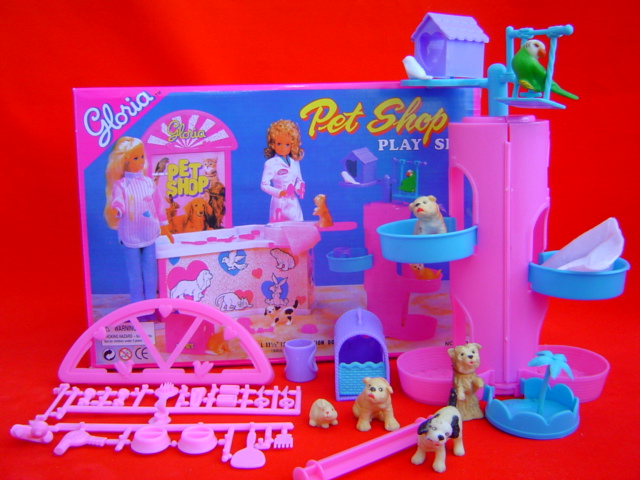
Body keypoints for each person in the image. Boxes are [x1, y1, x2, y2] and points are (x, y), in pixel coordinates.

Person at [104, 136, 167, 302]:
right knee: (135, 274)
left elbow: (158, 204)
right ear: (125, 161)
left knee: (150, 272)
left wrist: (165, 226)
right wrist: (117, 210)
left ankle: (151, 302)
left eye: (142, 157)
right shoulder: (121, 185)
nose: (140, 161)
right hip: (130, 234)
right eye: (135, 158)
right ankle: (137, 305)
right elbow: (118, 201)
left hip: (150, 232)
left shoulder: (148, 182)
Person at [260, 120, 305, 222]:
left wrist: (299, 188)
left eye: (287, 144)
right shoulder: (271, 163)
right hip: (279, 202)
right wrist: (279, 192)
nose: (283, 148)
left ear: (292, 144)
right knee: (279, 226)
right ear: (273, 144)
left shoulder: (295, 162)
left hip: (293, 201)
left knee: (297, 225)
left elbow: (299, 180)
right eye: (279, 144)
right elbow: (264, 185)